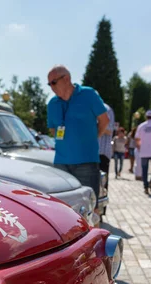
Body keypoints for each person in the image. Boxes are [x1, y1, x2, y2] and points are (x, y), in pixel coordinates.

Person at [46, 65, 110, 209]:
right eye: (49, 84)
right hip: (61, 164)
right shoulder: (52, 104)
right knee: (62, 208)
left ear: (66, 79)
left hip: (86, 162)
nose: (51, 87)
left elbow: (104, 120)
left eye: (54, 82)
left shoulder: (89, 94)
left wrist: (92, 138)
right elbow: (52, 128)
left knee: (87, 207)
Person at [98, 103, 114, 188]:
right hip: (88, 153)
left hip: (101, 152)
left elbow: (110, 129)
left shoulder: (105, 108)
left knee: (102, 184)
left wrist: (94, 126)